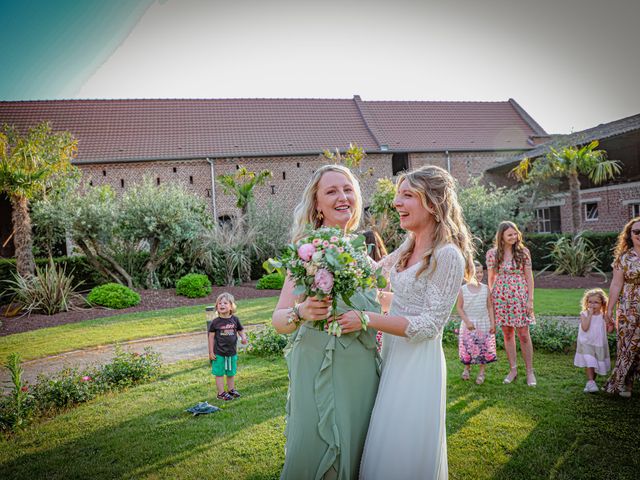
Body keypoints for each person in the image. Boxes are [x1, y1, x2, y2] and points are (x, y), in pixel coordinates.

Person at [336, 165, 475, 480]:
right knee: (384, 436)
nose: (397, 203)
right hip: (395, 355)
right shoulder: (410, 244)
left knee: (400, 444)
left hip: (418, 364)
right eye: (398, 195)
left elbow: (428, 325)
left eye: (407, 195)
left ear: (433, 202)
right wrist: (339, 239)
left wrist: (367, 319)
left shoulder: (448, 256)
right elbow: (374, 274)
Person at [271, 164, 381, 479]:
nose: (342, 197)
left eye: (348, 190)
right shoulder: (308, 252)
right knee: (314, 446)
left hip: (359, 369)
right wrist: (301, 312)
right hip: (315, 363)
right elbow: (279, 320)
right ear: (317, 204)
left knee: (357, 446)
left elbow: (382, 305)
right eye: (331, 191)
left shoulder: (364, 255)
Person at [486, 221, 536, 386]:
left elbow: (529, 277)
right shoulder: (492, 254)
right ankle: (513, 369)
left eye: (515, 234)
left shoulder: (523, 252)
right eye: (510, 235)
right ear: (502, 236)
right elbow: (491, 277)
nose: (514, 237)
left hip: (520, 297)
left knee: (523, 334)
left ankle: (530, 372)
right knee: (507, 334)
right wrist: (491, 299)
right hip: (501, 298)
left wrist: (530, 300)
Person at [604, 216, 640, 398]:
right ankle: (626, 383)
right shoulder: (624, 258)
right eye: (636, 231)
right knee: (626, 344)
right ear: (630, 234)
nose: (639, 235)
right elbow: (616, 285)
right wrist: (609, 309)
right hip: (628, 306)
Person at [457, 260, 497, 385]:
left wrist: (492, 323)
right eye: (476, 273)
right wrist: (467, 321)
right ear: (468, 274)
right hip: (469, 324)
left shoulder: (486, 289)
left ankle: (481, 372)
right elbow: (459, 308)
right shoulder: (463, 290)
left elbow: (490, 306)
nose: (479, 275)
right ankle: (467, 368)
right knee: (469, 347)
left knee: (482, 347)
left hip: (483, 323)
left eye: (480, 272)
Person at [208, 292, 248, 401]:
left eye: (225, 303)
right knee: (219, 373)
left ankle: (231, 390)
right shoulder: (215, 322)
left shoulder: (235, 320)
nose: (222, 305)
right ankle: (221, 393)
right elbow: (211, 337)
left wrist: (243, 337)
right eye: (219, 303)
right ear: (217, 306)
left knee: (231, 373)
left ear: (231, 306)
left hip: (231, 352)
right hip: (219, 353)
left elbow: (240, 330)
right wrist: (211, 352)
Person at [574, 288, 611, 393]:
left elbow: (609, 330)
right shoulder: (584, 314)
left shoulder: (603, 315)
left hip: (598, 343)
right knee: (590, 362)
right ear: (586, 302)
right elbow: (585, 328)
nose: (592, 305)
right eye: (590, 302)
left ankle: (591, 383)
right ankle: (590, 381)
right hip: (586, 342)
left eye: (596, 302)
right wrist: (590, 314)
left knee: (595, 364)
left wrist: (611, 323)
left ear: (602, 304)